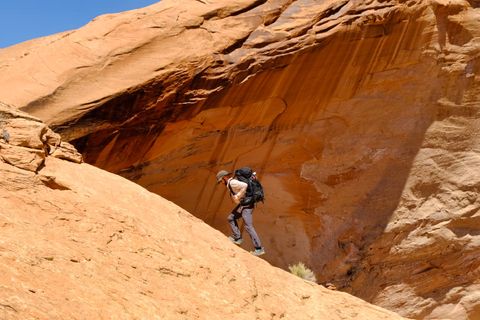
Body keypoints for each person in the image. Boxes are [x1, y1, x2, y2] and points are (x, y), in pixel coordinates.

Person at [216, 170, 265, 256]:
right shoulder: (230, 184)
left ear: (224, 178)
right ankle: (237, 238)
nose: (221, 183)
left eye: (221, 181)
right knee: (231, 218)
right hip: (243, 205)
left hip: (247, 206)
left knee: (248, 226)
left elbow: (245, 185)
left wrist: (238, 196)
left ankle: (259, 248)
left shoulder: (232, 183)